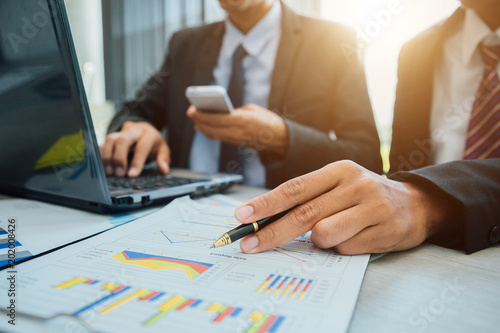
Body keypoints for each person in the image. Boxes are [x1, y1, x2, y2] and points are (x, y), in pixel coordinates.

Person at [232, 0, 500, 255]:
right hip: (423, 256)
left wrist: (431, 204)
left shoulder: (334, 40)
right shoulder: (418, 50)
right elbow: (399, 170)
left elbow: (372, 158)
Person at [100, 0, 382, 189]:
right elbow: (133, 110)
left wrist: (283, 137)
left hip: (281, 218)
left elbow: (367, 159)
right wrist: (133, 128)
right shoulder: (185, 43)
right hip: (180, 204)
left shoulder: (334, 42)